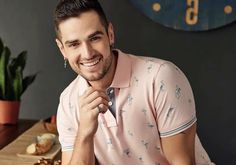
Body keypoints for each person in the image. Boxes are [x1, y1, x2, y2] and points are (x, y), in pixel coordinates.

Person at [54, 0, 214, 164]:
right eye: (74, 44)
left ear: (110, 34)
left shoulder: (160, 78)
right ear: (62, 49)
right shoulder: (68, 102)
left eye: (94, 38)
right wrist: (85, 133)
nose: (87, 53)